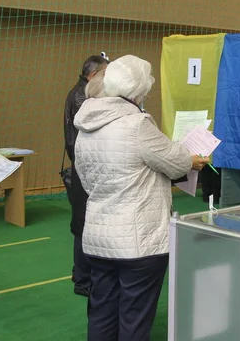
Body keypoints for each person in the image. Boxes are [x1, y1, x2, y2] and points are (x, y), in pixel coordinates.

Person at [74, 55, 208, 341]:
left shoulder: (85, 124)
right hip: (139, 241)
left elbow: (85, 180)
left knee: (101, 312)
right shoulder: (138, 124)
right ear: (138, 91)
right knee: (135, 318)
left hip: (99, 236)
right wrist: (191, 159)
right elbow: (175, 162)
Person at [63, 54, 109, 297]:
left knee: (83, 223)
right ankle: (83, 281)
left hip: (83, 167)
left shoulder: (79, 93)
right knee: (83, 225)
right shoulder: (83, 98)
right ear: (93, 76)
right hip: (84, 168)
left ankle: (81, 276)